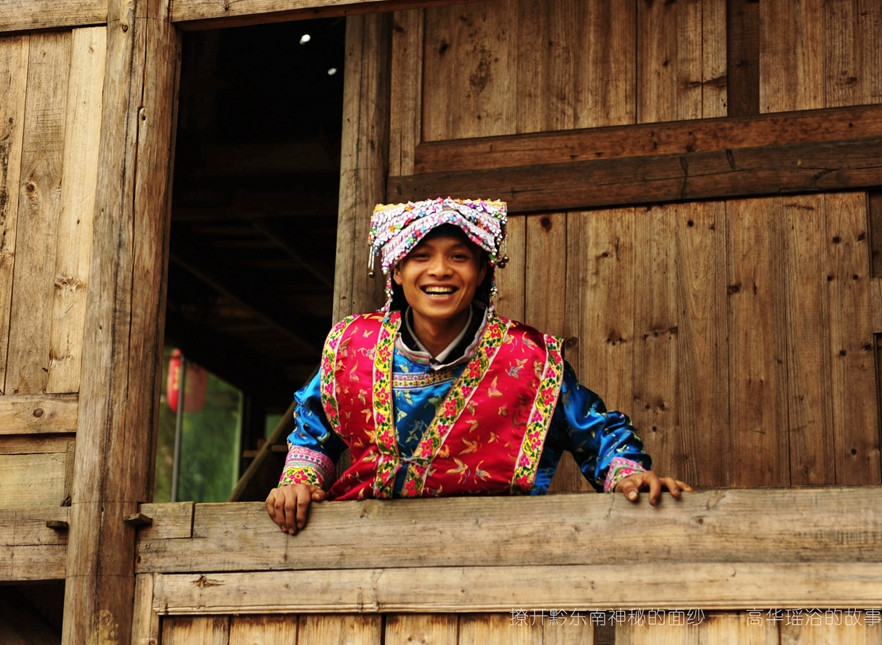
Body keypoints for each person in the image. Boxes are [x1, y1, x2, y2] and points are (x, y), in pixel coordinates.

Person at [266, 198, 691, 534]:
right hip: (366, 551)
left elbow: (596, 434)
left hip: (491, 552)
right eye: (421, 256)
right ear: (396, 270)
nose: (439, 271)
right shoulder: (351, 346)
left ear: (483, 269)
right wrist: (299, 482)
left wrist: (629, 477)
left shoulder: (528, 358)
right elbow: (313, 431)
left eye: (459, 256)